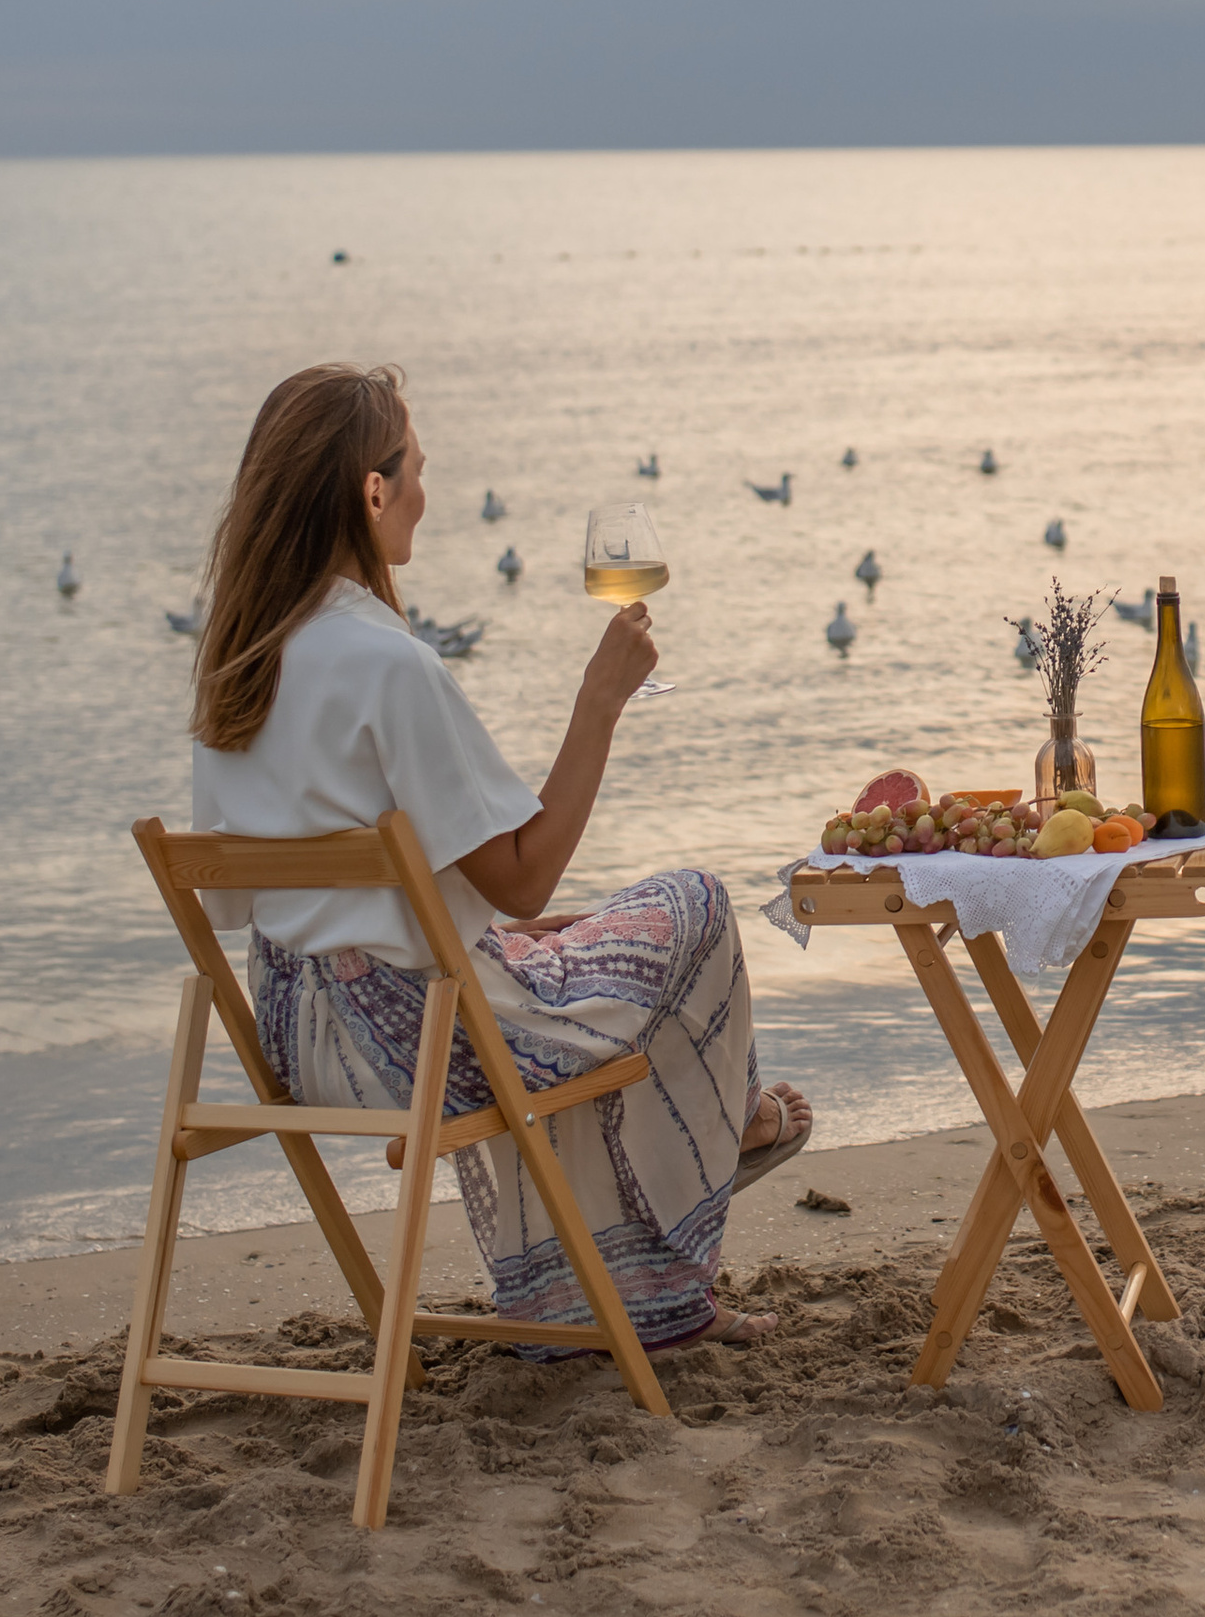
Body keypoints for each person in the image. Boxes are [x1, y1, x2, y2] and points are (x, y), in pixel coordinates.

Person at [189, 362, 809, 1352]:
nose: (428, 495)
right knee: (693, 907)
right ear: (372, 490)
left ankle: (617, 1292)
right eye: (418, 470)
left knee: (545, 970)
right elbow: (520, 873)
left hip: (298, 1046)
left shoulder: (239, 667)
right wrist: (597, 704)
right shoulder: (387, 661)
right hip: (421, 1046)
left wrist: (473, 928)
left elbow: (267, 903)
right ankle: (721, 1130)